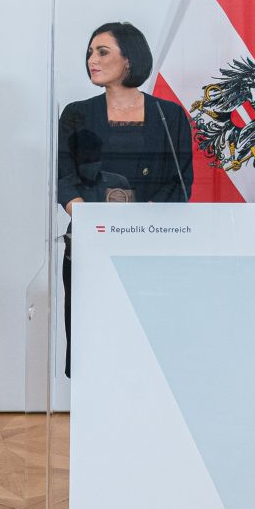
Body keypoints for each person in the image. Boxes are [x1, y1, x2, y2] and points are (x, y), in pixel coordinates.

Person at [56, 21, 194, 375]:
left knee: (146, 344)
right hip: (91, 244)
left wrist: (140, 222)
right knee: (93, 342)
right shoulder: (76, 114)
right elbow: (64, 178)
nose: (92, 59)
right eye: (89, 52)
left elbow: (181, 183)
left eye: (102, 52)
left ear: (129, 59)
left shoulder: (171, 115)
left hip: (151, 244)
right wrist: (88, 219)